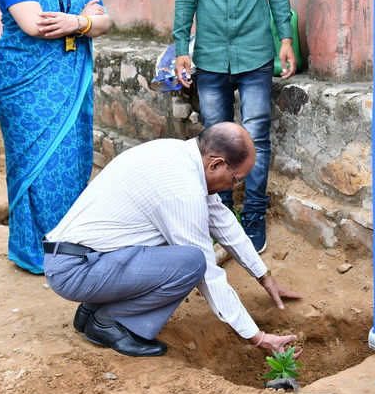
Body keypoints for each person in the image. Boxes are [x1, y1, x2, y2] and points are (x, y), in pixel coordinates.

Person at [43, 122, 302, 358]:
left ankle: (93, 309)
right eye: (236, 179)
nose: (233, 187)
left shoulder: (178, 155)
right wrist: (257, 337)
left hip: (84, 260)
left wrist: (264, 276)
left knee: (173, 247)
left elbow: (223, 221)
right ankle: (112, 321)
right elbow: (208, 274)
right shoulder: (183, 189)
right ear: (216, 164)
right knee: (190, 262)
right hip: (77, 271)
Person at [173, 0, 297, 253]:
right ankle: (221, 212)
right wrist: (181, 45)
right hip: (210, 51)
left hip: (256, 48)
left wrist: (285, 38)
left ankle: (254, 213)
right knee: (214, 139)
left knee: (256, 135)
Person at [0, 0, 111, 274]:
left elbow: (105, 21)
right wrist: (84, 20)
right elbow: (34, 24)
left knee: (71, 160)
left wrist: (77, 21)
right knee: (37, 166)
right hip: (25, 85)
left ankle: (68, 242)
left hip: (68, 83)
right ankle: (35, 250)